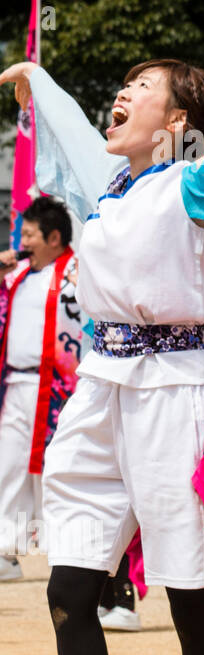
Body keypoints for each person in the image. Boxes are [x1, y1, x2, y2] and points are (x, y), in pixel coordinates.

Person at [0, 55, 204, 655]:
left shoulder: (193, 180)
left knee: (188, 595)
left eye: (142, 88)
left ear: (176, 121)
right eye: (124, 85)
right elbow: (77, 135)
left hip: (175, 389)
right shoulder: (111, 188)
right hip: (101, 388)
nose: (122, 93)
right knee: (68, 593)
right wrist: (41, 80)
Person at [0, 196, 81, 580]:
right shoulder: (18, 275)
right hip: (17, 384)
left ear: (53, 238)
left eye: (29, 234)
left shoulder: (77, 274)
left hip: (62, 389)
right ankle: (6, 549)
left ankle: (63, 551)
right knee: (8, 464)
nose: (22, 242)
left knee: (59, 469)